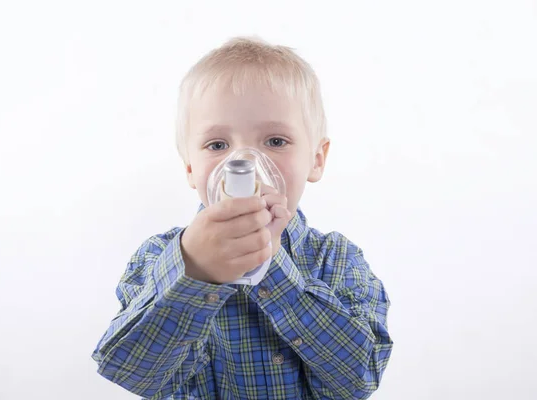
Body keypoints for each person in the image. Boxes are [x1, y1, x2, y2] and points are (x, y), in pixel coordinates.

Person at [91, 36, 393, 400]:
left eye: (275, 141)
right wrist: (194, 273)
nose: (245, 164)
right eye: (218, 145)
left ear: (316, 158)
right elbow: (130, 371)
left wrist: (272, 263)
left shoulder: (336, 258)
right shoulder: (160, 256)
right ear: (190, 168)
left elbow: (359, 378)